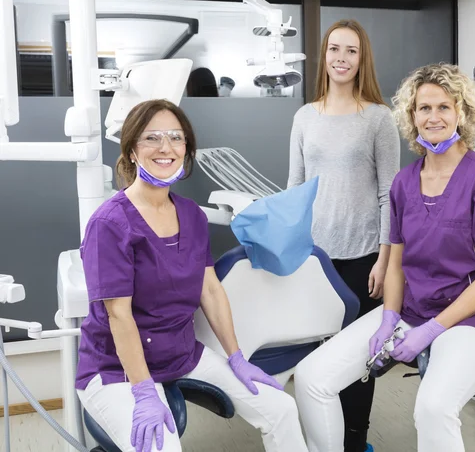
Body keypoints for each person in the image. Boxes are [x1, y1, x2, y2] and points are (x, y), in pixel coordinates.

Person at [294, 63, 475, 452]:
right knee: (312, 376)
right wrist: (389, 317)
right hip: (411, 312)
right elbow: (396, 262)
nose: (433, 117)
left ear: (462, 113)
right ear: (411, 117)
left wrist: (431, 331)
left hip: (473, 319)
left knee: (433, 407)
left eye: (444, 107)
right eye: (424, 108)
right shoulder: (404, 182)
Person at [75, 99, 308, 452]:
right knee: (161, 446)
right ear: (133, 150)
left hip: (181, 355)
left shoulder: (191, 215)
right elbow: (118, 314)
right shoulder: (110, 224)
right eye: (152, 138)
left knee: (280, 407)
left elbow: (210, 291)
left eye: (176, 138)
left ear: (186, 150)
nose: (166, 147)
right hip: (116, 369)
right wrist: (143, 391)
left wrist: (236, 358)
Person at [287, 19, 401, 452]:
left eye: (351, 51)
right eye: (335, 49)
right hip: (315, 258)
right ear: (325, 56)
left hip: (363, 258)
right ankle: (321, 438)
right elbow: (295, 186)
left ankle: (356, 440)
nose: (341, 58)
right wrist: (291, 249)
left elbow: (390, 195)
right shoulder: (304, 116)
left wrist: (385, 261)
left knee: (357, 360)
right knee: (316, 357)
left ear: (362, 59)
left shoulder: (377, 119)